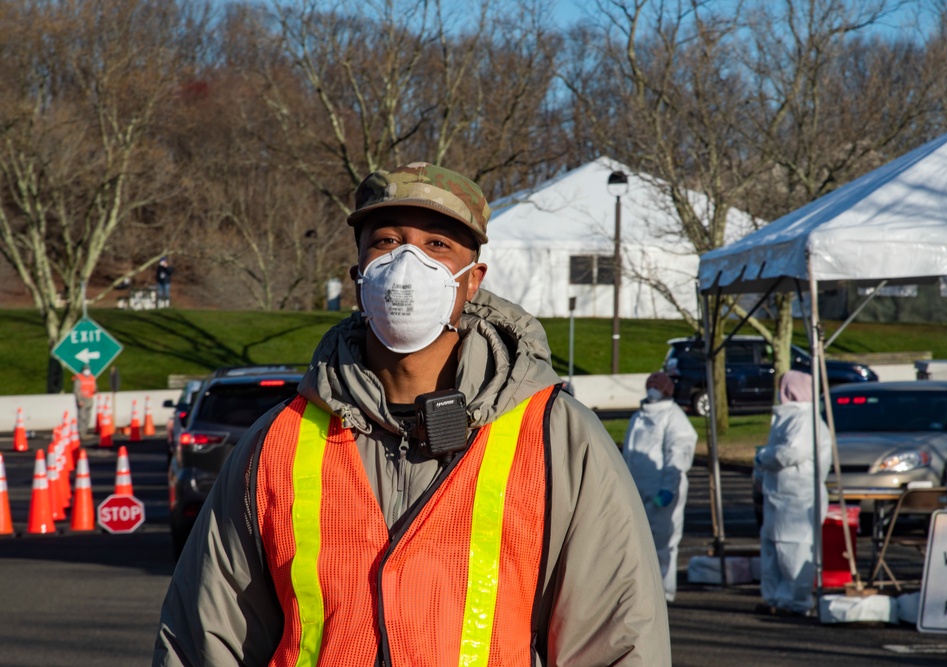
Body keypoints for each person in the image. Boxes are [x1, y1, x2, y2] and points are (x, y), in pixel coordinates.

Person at [153, 162, 670, 666]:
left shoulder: (558, 437)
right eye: (386, 241)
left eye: (437, 245)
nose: (407, 264)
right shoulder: (277, 442)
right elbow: (206, 636)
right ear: (360, 274)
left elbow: (616, 640)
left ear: (473, 279)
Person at [756, 369, 832, 616]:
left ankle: (796, 602)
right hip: (780, 496)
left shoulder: (805, 420)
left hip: (798, 499)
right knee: (774, 552)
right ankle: (777, 599)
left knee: (794, 552)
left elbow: (789, 454)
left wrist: (762, 457)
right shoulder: (789, 417)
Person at [621, 371, 698, 603]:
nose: (653, 389)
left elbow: (678, 455)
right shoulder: (639, 416)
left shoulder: (674, 418)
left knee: (663, 543)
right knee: (638, 543)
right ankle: (643, 591)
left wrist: (668, 488)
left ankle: (663, 591)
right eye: (650, 385)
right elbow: (629, 453)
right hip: (639, 489)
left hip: (662, 491)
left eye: (657, 386)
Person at [72, 364, 97, 434]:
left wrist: (95, 391)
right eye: (86, 369)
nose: (87, 371)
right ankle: (80, 433)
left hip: (90, 399)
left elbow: (94, 387)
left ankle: (84, 432)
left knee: (88, 417)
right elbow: (76, 390)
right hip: (82, 399)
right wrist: (79, 400)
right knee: (82, 417)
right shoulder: (79, 378)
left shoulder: (92, 377)